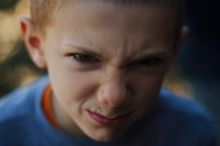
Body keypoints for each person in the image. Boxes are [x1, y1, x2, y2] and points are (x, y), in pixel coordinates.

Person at [0, 0, 217, 145]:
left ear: (174, 51)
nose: (114, 97)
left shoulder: (191, 132)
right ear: (36, 44)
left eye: (147, 62)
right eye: (84, 58)